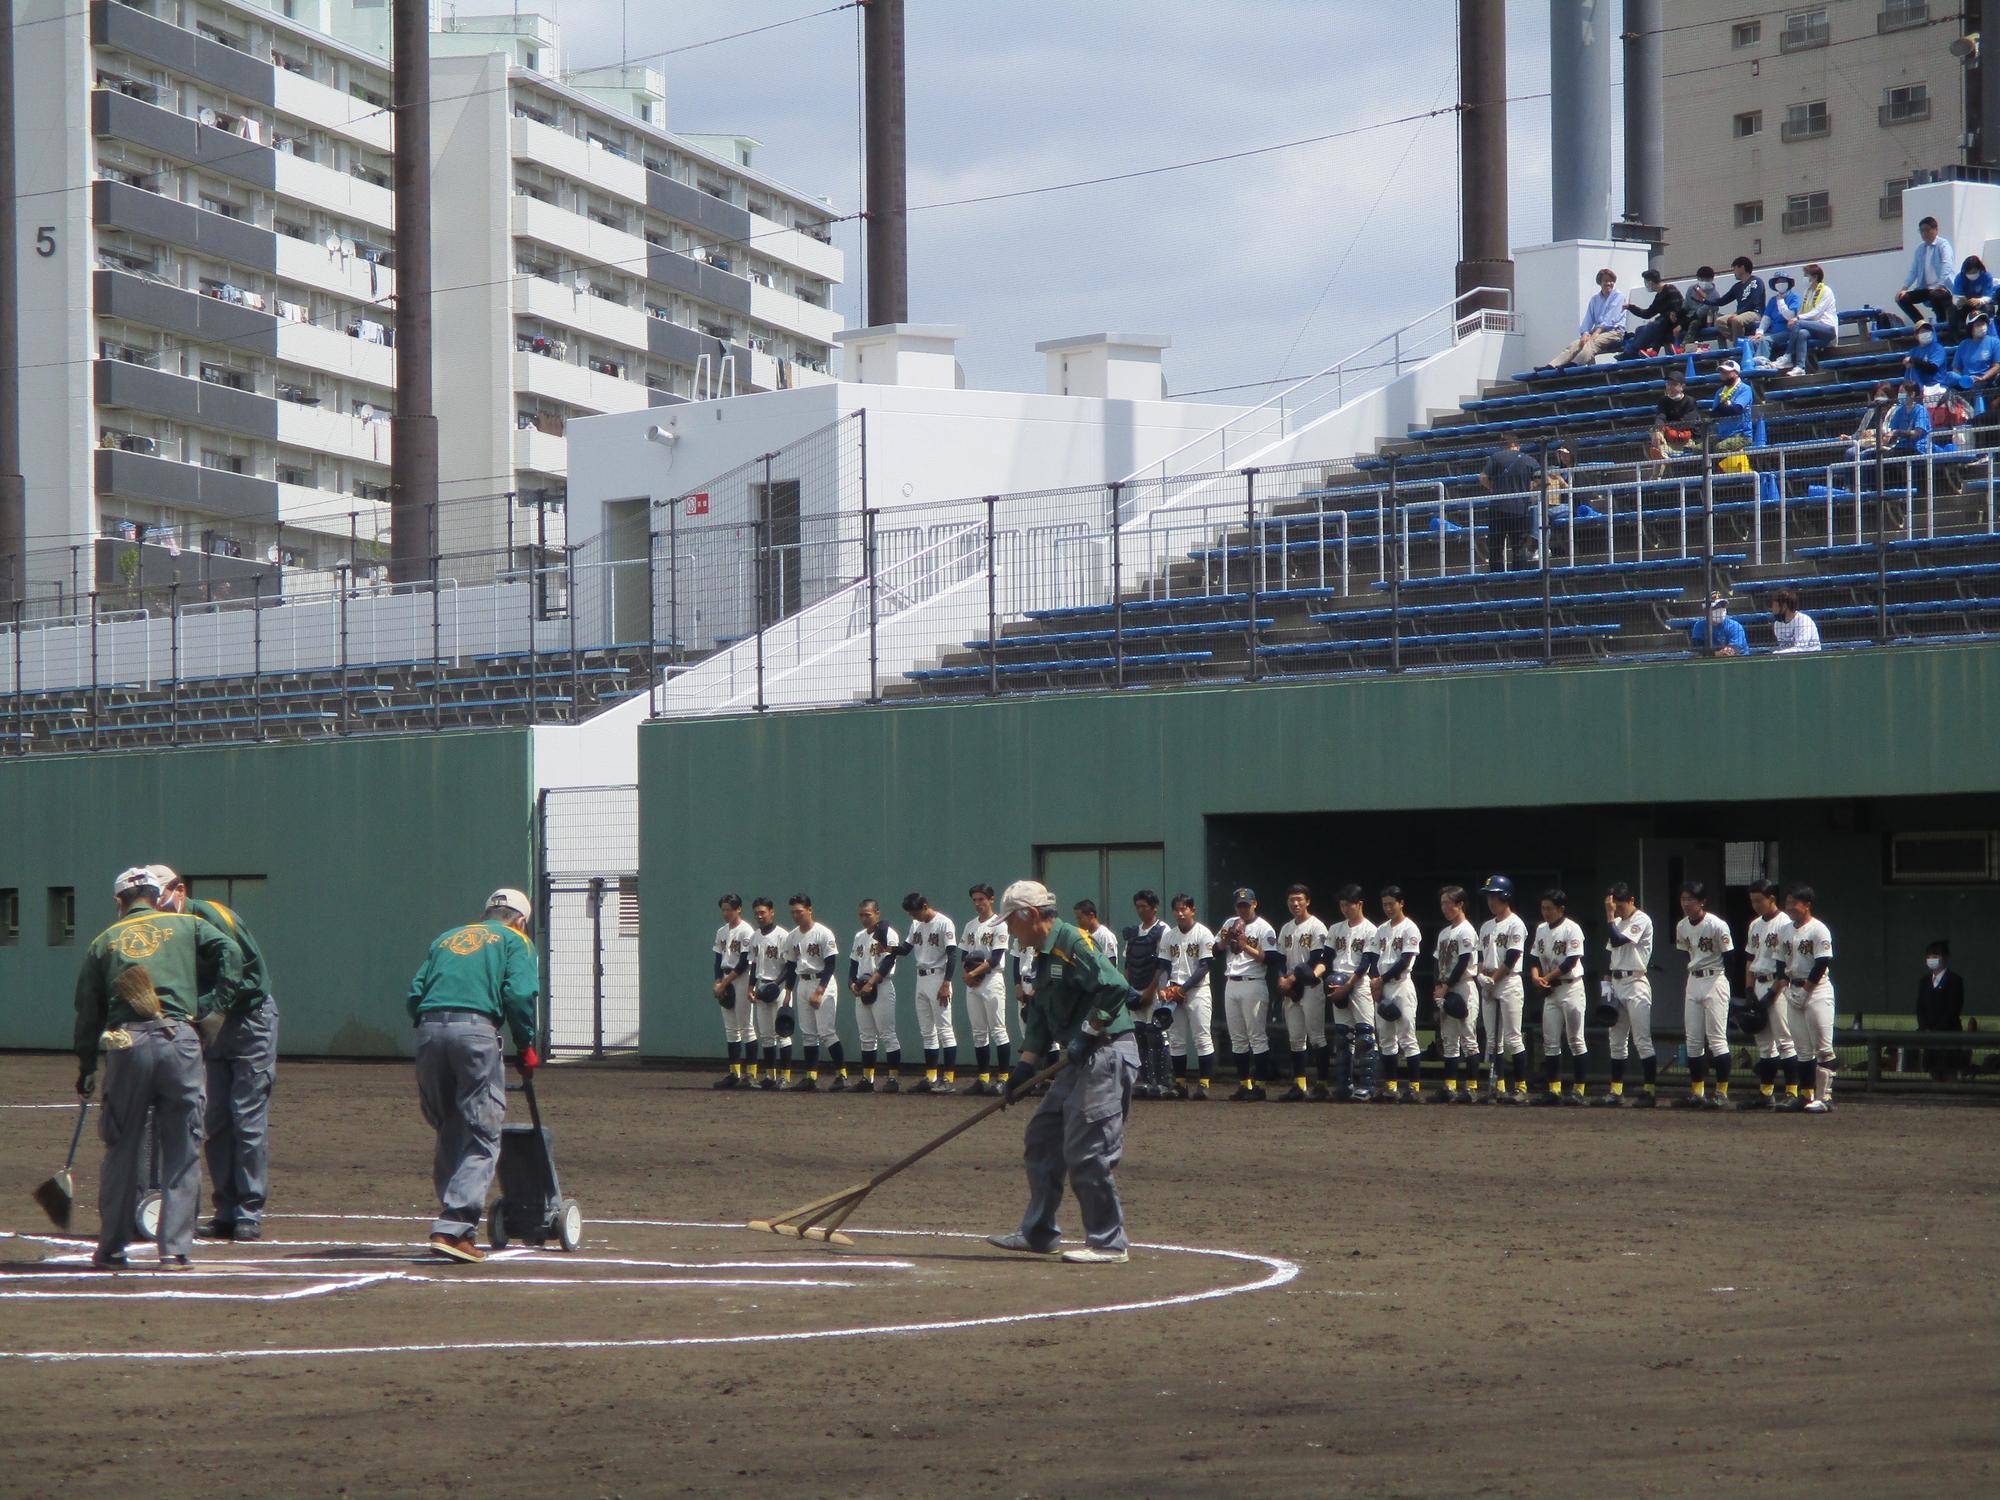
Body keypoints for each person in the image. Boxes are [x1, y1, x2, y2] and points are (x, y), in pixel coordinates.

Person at [74, 866, 243, 1270]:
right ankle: (175, 1250)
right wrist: (213, 1008)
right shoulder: (186, 925)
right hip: (179, 1040)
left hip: (126, 1044)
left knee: (121, 1149)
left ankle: (111, 1248)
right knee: (182, 1149)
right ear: (155, 894)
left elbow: (87, 1012)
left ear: (120, 902)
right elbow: (232, 953)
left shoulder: (103, 941)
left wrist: (85, 1067)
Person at [986, 879, 1140, 1266]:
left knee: (1086, 1148)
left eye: (1011, 921)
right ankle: (1039, 1233)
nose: (1008, 930)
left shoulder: (1072, 943)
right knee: (1043, 1137)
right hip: (1074, 1057)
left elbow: (1116, 986)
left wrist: (1089, 1031)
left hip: (1105, 1052)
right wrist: (1023, 1068)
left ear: (1031, 915)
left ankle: (1108, 1242)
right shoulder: (1040, 955)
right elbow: (1040, 1017)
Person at [406, 887, 539, 1263]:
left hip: (430, 1032)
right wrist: (525, 1043)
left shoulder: (447, 938)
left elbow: (415, 995)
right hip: (476, 1032)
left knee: (450, 1126)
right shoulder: (516, 941)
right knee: (482, 1132)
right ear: (521, 919)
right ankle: (454, 1225)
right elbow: (518, 995)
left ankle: (455, 1223)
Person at [151, 867, 278, 1242]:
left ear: (179, 890)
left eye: (159, 894)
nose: (156, 903)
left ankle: (249, 1211)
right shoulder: (163, 929)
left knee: (248, 1118)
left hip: (249, 1019)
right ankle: (225, 1209)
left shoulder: (213, 916)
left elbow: (248, 975)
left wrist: (202, 1008)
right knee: (217, 1119)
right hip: (211, 1024)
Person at [1672, 881, 1735, 1110]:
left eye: (1691, 899)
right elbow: (1685, 955)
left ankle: (1721, 1092)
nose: (1686, 903)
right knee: (1693, 1041)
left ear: (1702, 902)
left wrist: (1729, 989)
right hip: (1694, 979)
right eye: (1683, 899)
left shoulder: (1717, 925)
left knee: (1717, 1039)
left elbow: (1730, 957)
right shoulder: (1681, 926)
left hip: (1714, 977)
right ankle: (1697, 1092)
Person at [1599, 883, 1658, 1108]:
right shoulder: (1618, 922)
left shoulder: (1642, 919)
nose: (1618, 910)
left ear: (1631, 900)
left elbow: (1617, 940)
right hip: (1616, 981)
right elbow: (1610, 955)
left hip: (1635, 982)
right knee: (1616, 1040)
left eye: (1621, 906)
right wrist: (1606, 987)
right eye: (1616, 906)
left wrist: (1609, 915)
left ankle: (1649, 1091)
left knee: (1641, 1040)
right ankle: (1616, 1091)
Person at [1528, 888, 1588, 1105]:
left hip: (1570, 986)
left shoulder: (1572, 928)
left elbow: (1571, 961)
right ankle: (1553, 1090)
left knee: (1575, 1040)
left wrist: (1546, 977)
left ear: (1561, 909)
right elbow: (1534, 957)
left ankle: (1579, 1090)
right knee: (1550, 1041)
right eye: (1543, 908)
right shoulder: (1541, 929)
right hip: (1551, 990)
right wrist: (1537, 977)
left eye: (1550, 908)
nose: (1545, 912)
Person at [1743, 879, 1800, 1109]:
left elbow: (1786, 964)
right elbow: (1750, 958)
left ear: (1772, 899)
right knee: (1764, 1043)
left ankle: (1792, 1092)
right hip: (1758, 983)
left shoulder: (1784, 923)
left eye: (1759, 900)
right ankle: (1766, 1094)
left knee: (1784, 1040)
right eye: (1753, 901)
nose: (1756, 905)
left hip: (1778, 986)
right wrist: (1748, 989)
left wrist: (1773, 993)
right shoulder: (1755, 924)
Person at [1217, 887, 1278, 1100]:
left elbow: (1270, 958)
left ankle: (1260, 1086)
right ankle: (1245, 1084)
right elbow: (1216, 951)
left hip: (1253, 982)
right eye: (1239, 905)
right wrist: (1226, 939)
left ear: (1254, 904)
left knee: (1257, 1036)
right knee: (1237, 1038)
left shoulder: (1264, 928)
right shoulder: (1229, 923)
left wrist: (1244, 946)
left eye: (1246, 904)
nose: (1242, 908)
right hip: (1231, 982)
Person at [781, 893, 844, 1092]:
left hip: (822, 982)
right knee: (808, 1034)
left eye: (799, 911)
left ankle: (841, 1075)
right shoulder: (792, 936)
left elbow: (831, 964)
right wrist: (788, 992)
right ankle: (811, 1077)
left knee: (826, 1032)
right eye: (792, 912)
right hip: (803, 982)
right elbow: (791, 966)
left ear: (809, 910)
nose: (795, 915)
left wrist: (820, 990)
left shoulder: (823, 933)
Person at [1158, 892, 1217, 1099]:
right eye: (1177, 909)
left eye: (1184, 909)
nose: (1180, 913)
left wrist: (1183, 989)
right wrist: (1163, 988)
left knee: (1202, 1037)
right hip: (1174, 992)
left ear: (1193, 910)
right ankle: (1180, 1084)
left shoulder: (1203, 933)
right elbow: (1164, 966)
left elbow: (1204, 967)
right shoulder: (1169, 935)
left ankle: (1204, 1084)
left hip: (1198, 990)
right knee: (1176, 1039)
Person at [1783, 885, 1837, 1112]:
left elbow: (1822, 962)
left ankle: (1825, 1098)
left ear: (1807, 905)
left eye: (1795, 903)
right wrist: (1786, 988)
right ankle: (1806, 1096)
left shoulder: (1818, 929)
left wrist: (1806, 990)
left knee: (1823, 1047)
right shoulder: (1785, 930)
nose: (1790, 908)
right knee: (1802, 1049)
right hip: (1793, 988)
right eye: (1788, 903)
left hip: (1817, 990)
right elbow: (1780, 961)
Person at [1274, 884, 1330, 1101]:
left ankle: (1322, 1084)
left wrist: (1292, 979)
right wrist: (1281, 978)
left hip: (1309, 986)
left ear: (1308, 901)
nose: (1295, 903)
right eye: (1291, 900)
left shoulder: (1317, 927)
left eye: (1299, 899)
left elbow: (1317, 958)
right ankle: (1299, 1085)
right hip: (1291, 988)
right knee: (1296, 1038)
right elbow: (1280, 958)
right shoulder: (1286, 928)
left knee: (1316, 1036)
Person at [1476, 875, 1529, 1104]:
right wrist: (1481, 976)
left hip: (1508, 982)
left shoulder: (1516, 923)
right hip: (1489, 981)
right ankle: (1497, 1085)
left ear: (1505, 896)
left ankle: (1520, 1087)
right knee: (1492, 1039)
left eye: (1494, 895)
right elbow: (1481, 956)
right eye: (1489, 896)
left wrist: (1494, 979)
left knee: (1512, 1038)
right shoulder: (1486, 926)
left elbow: (1512, 955)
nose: (1490, 900)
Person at [1368, 886, 1423, 1103]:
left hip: (1401, 985)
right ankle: (1391, 1087)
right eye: (1384, 904)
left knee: (1407, 1036)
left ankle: (1414, 1088)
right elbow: (1373, 957)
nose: (1388, 908)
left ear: (1401, 903)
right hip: (1383, 986)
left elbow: (1405, 961)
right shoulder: (1381, 929)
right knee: (1386, 1037)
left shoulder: (1410, 928)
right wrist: (1376, 983)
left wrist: (1380, 980)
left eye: (1392, 903)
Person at [1325, 883, 1380, 1102]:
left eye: (1349, 904)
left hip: (1359, 984)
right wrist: (1327, 982)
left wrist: (1347, 986)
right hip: (1338, 982)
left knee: (1365, 1036)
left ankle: (1366, 1086)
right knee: (1342, 1037)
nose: (1345, 909)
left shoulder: (1370, 929)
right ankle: (1343, 1085)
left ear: (1360, 904)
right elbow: (1327, 957)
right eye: (1342, 905)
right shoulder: (1335, 929)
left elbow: (1366, 961)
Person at [900, 892, 959, 1093]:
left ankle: (949, 1079)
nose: (913, 916)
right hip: (921, 977)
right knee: (927, 1031)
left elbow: (952, 954)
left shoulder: (944, 923)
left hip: (938, 976)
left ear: (925, 905)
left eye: (915, 912)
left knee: (945, 1029)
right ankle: (931, 1077)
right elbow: (905, 949)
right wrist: (887, 946)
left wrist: (946, 983)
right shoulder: (916, 924)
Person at [960, 883, 1012, 1095]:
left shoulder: (999, 923)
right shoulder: (970, 925)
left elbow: (996, 956)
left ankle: (1003, 1079)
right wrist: (969, 974)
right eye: (975, 900)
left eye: (982, 899)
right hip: (973, 982)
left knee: (998, 1030)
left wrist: (973, 974)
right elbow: (964, 954)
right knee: (978, 1032)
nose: (978, 903)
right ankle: (982, 1078)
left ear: (991, 899)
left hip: (992, 980)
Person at [1122, 890, 1172, 1100]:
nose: (1141, 910)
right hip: (1136, 987)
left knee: (1156, 1034)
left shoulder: (1163, 930)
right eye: (1138, 906)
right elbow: (1129, 963)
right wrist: (1128, 989)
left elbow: (1161, 965)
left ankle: (1163, 1081)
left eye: (1145, 906)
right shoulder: (1134, 933)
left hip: (1155, 988)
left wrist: (1152, 991)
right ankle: (1143, 1079)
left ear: (1154, 907)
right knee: (1139, 1033)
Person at [1431, 886, 1480, 1102]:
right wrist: (1438, 986)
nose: (1444, 907)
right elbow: (1437, 962)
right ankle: (1449, 1087)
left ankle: (1472, 1088)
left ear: (1460, 904)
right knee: (1448, 1039)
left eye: (1448, 903)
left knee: (1468, 1038)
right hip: (1446, 986)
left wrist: (1447, 986)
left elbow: (1463, 962)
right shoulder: (1444, 932)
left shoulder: (1466, 930)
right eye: (1442, 903)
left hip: (1463, 986)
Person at [848, 898, 902, 1092]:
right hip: (862, 988)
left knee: (887, 1034)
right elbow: (853, 964)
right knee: (866, 1036)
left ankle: (893, 1079)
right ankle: (867, 1079)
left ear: (877, 914)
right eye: (861, 915)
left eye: (867, 915)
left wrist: (871, 982)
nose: (864, 919)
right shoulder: (859, 936)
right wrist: (852, 984)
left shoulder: (888, 934)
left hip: (882, 986)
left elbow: (888, 962)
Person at [710, 893, 756, 1089]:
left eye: (729, 909)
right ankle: (734, 1073)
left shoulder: (746, 930)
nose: (726, 912)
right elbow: (718, 960)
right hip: (726, 978)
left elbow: (745, 962)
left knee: (746, 1028)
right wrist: (717, 982)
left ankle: (751, 1075)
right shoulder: (721, 931)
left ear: (739, 909)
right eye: (723, 909)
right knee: (731, 1030)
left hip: (740, 979)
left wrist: (725, 983)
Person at [748, 897, 792, 1090]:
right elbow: (754, 964)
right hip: (761, 986)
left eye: (763, 912)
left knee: (782, 1034)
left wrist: (776, 984)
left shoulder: (783, 935)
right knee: (766, 1035)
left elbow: (790, 965)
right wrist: (751, 987)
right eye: (757, 913)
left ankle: (785, 1076)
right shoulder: (755, 936)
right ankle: (770, 1076)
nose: (759, 916)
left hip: (779, 988)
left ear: (771, 912)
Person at [1478, 437, 1541, 572]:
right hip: (1520, 508)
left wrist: (1492, 489)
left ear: (1505, 445)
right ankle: (1519, 576)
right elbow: (1542, 481)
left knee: (1496, 546)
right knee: (1519, 546)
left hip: (1498, 507)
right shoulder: (1529, 460)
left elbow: (1483, 477)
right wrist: (1528, 488)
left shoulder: (1497, 457)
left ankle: (1497, 576)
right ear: (1517, 445)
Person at [1548, 267, 1627, 368]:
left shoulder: (1619, 297)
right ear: (1600, 282)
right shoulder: (1595, 300)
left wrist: (1594, 334)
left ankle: (1574, 364)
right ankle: (1552, 365)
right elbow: (1588, 320)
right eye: (1606, 281)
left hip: (1614, 332)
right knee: (1575, 344)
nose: (1609, 283)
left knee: (1592, 343)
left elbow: (1609, 320)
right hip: (1597, 332)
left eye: (1611, 281)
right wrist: (1585, 333)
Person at [1914, 940, 1966, 1080]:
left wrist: (1936, 1030)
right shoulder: (1924, 981)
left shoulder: (1955, 980)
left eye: (1935, 956)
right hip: (1930, 1040)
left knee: (1950, 1076)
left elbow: (1953, 1009)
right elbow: (1920, 1008)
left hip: (1949, 1036)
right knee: (1933, 1076)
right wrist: (1924, 1028)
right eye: (1929, 957)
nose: (1932, 960)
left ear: (1946, 957)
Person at [1775, 263, 1837, 376]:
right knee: (1802, 333)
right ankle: (1800, 367)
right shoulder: (1807, 292)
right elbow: (1803, 312)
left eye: (1806, 275)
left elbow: (1817, 311)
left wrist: (1797, 318)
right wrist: (1795, 318)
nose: (1804, 278)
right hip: (1813, 327)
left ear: (1815, 277)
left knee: (1798, 323)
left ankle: (1788, 355)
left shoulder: (1826, 291)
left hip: (1827, 328)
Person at [1896, 216, 1956, 329]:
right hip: (1927, 289)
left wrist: (1940, 285)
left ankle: (1942, 325)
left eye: (1927, 230)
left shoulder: (1943, 245)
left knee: (1935, 295)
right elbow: (1913, 271)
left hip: (1943, 288)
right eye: (1921, 231)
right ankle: (1922, 324)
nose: (1924, 233)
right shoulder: (1920, 249)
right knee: (1901, 298)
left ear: (1935, 230)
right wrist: (1904, 288)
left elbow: (1946, 265)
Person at [1620, 267, 1685, 357]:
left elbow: (1678, 308)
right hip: (1664, 324)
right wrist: (1630, 307)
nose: (1646, 285)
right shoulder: (1659, 296)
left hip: (1674, 323)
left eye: (1645, 282)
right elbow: (1647, 314)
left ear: (1650, 282)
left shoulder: (1670, 289)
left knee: (1652, 326)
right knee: (1640, 329)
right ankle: (1638, 353)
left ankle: (1631, 352)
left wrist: (1673, 315)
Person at [1648, 368, 1700, 473]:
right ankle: (1662, 455)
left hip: (1686, 440)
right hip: (1667, 439)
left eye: (1673, 384)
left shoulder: (1690, 401)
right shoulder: (1663, 401)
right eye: (1668, 384)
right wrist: (1658, 429)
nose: (1669, 387)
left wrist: (1667, 427)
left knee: (1659, 452)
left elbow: (1686, 423)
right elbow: (1660, 417)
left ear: (1682, 387)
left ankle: (1657, 472)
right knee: (1654, 432)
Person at [1942, 313, 2000, 392]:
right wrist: (1961, 380)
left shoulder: (1994, 342)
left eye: (1983, 324)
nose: (1982, 327)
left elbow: (1996, 366)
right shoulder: (1963, 344)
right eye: (1978, 325)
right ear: (1970, 328)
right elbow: (1956, 368)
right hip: (1967, 382)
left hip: (1986, 382)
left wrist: (1983, 378)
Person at [1712, 256, 1768, 338]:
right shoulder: (1737, 287)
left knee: (1736, 320)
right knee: (1719, 321)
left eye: (1734, 269)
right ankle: (1739, 340)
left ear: (1742, 268)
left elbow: (1755, 302)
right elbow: (1722, 301)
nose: (1733, 272)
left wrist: (1738, 313)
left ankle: (1739, 344)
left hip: (1755, 312)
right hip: (1740, 314)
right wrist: (1703, 299)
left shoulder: (1756, 281)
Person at [1752, 274, 1801, 367]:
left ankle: (1761, 365)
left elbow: (1790, 316)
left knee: (1765, 340)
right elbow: (1766, 318)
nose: (1780, 284)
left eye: (1783, 281)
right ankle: (1750, 364)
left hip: (1788, 332)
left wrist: (1781, 302)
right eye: (1778, 282)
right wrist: (1759, 332)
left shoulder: (1794, 297)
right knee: (1753, 341)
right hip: (1773, 332)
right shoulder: (1772, 300)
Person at [1710, 359, 1755, 458]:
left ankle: (1721, 472)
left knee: (1720, 448)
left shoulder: (1745, 389)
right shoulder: (1720, 392)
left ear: (1735, 373)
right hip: (1722, 435)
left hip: (1741, 436)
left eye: (1726, 372)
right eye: (1722, 372)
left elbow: (1736, 409)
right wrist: (1726, 408)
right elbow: (1714, 414)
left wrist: (1722, 409)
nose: (1723, 374)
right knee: (1699, 448)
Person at [1688, 591, 1750, 657]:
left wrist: (1712, 654)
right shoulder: (1699, 625)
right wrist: (1716, 654)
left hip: (1738, 660)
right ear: (1706, 610)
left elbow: (1733, 651)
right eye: (1716, 607)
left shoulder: (1735, 626)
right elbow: (1696, 650)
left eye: (1723, 606)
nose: (1720, 609)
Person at [1952, 254, 1996, 338]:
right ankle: (1956, 337)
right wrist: (1960, 301)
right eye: (1969, 272)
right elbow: (1955, 296)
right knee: (1952, 311)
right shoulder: (1959, 278)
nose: (1971, 274)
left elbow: (1989, 296)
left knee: (1989, 308)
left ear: (1979, 269)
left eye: (1974, 272)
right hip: (1965, 306)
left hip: (1981, 306)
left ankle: (1989, 334)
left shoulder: (1987, 277)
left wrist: (1980, 300)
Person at [1770, 587, 1822, 654]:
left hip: (1812, 659)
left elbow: (1800, 648)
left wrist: (1778, 653)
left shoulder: (1804, 621)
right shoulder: (1777, 624)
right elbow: (1784, 648)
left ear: (1784, 606)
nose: (1773, 610)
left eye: (1775, 607)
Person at [1679, 266, 1721, 343]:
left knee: (1694, 323)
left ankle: (1685, 344)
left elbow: (1700, 313)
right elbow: (1685, 307)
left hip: (1705, 320)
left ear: (1712, 279)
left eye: (1707, 280)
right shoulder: (1691, 289)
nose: (1704, 282)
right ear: (1698, 279)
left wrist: (1682, 324)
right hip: (1689, 317)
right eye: (1702, 279)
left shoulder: (1714, 295)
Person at [1905, 322, 1948, 389]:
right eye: (1922, 331)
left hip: (1936, 387)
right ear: (1916, 335)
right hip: (1919, 389)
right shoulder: (1912, 352)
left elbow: (1932, 369)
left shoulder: (1937, 348)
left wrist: (1913, 360)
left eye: (1928, 331)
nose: (1926, 333)